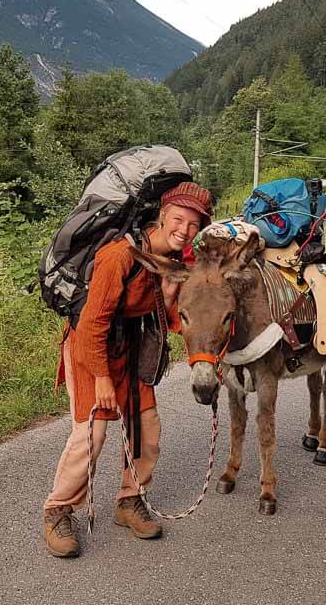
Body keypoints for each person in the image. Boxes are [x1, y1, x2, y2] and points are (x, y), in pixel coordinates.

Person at [42, 182, 213, 558]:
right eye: (179, 219)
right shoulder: (120, 255)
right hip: (92, 348)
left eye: (193, 224)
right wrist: (102, 377)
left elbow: (170, 319)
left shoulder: (172, 263)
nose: (184, 230)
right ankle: (57, 510)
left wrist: (175, 303)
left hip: (132, 348)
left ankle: (129, 501)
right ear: (163, 215)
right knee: (93, 433)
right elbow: (91, 325)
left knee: (146, 429)